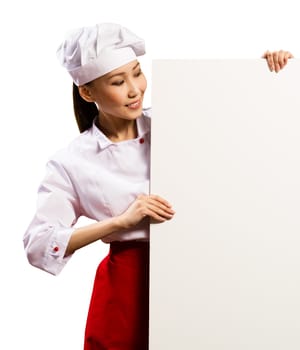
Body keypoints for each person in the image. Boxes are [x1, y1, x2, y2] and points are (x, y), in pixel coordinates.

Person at [23, 22, 292, 350]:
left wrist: (266, 74)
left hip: (200, 271)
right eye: (119, 82)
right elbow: (38, 245)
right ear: (87, 92)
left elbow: (245, 130)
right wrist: (121, 221)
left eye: (137, 73)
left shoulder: (179, 120)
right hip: (125, 289)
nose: (135, 89)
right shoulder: (71, 162)